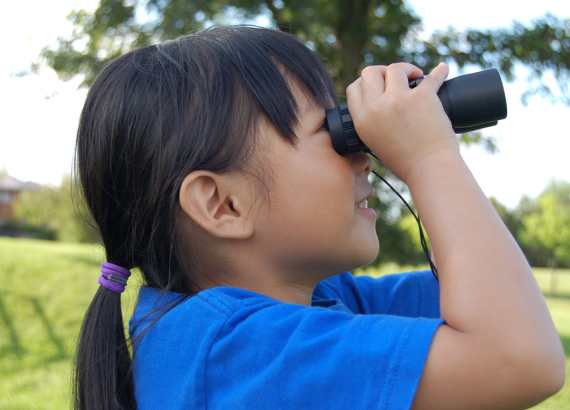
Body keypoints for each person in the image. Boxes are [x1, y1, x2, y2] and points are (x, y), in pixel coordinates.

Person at [72, 25, 565, 410]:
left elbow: (493, 297)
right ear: (223, 205)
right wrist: (430, 158)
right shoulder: (235, 353)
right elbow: (519, 359)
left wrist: (424, 146)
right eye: (331, 132)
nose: (363, 154)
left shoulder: (318, 301)